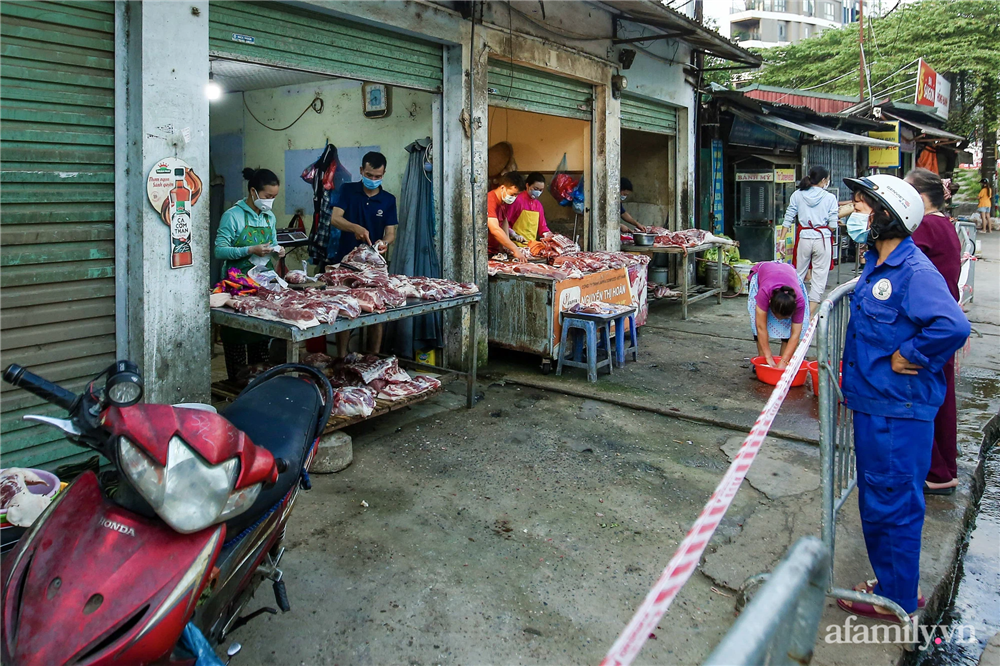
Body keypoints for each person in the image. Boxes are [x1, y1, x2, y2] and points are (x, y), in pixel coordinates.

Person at [836, 174, 970, 621]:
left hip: (898, 409)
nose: (852, 214)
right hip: (878, 403)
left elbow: (952, 326)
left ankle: (895, 597)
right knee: (881, 498)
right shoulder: (880, 263)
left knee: (891, 502)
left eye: (860, 207)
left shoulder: (912, 271)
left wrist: (908, 354)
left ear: (886, 217)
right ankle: (894, 583)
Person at [905, 168, 962, 495]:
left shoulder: (926, 225)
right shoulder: (944, 224)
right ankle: (944, 470)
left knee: (923, 400)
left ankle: (937, 472)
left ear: (921, 197)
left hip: (930, 327)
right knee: (941, 400)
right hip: (941, 322)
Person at [214, 167, 286, 381]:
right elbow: (219, 250)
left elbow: (272, 244)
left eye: (274, 197)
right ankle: (236, 390)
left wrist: (277, 250)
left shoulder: (268, 217)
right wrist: (249, 250)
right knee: (237, 339)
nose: (270, 201)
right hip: (237, 286)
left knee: (261, 340)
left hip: (263, 285)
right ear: (253, 191)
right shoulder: (232, 216)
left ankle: (259, 389)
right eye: (267, 196)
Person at [329, 151, 397, 356]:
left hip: (373, 267)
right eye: (369, 175)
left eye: (378, 176)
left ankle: (372, 359)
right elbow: (335, 218)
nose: (373, 180)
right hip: (346, 264)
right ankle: (341, 357)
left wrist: (384, 243)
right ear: (361, 171)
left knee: (376, 310)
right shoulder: (347, 191)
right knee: (346, 310)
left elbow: (391, 232)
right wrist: (355, 228)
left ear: (384, 174)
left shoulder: (388, 200)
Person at [782, 166, 838, 316]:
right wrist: (829, 227)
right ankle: (809, 315)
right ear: (824, 180)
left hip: (804, 237)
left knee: (798, 274)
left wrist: (781, 238)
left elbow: (788, 217)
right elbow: (833, 224)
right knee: (819, 278)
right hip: (822, 238)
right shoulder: (830, 198)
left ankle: (792, 308)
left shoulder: (797, 195)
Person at [746, 261, 808, 370]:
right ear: (770, 304)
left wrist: (784, 361)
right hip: (764, 274)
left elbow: (795, 334)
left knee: (788, 332)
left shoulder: (799, 301)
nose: (781, 319)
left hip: (788, 274)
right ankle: (763, 361)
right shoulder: (764, 293)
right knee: (758, 325)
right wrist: (768, 356)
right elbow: (761, 327)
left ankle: (782, 362)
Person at [503, 172, 550, 253]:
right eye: (535, 189)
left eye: (541, 190)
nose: (538, 192)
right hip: (515, 247)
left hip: (532, 248)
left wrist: (551, 236)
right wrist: (514, 235)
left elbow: (542, 228)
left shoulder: (538, 205)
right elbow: (504, 222)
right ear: (527, 185)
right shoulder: (517, 200)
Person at [487, 172, 527, 261]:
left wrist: (507, 245)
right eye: (512, 194)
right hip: (486, 252)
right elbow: (495, 229)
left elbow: (504, 221)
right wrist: (514, 249)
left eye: (516, 195)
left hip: (496, 252)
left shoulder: (503, 202)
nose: (514, 197)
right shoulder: (490, 200)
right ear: (502, 187)